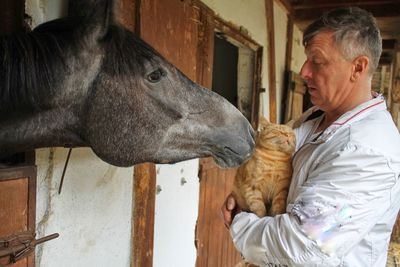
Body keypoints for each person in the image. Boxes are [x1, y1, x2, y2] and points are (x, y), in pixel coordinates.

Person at [221, 7, 400, 267]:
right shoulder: (316, 117)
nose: (304, 71)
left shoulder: (368, 150)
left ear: (358, 68)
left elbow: (306, 247)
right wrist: (247, 196)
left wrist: (240, 222)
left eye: (317, 61)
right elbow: (274, 167)